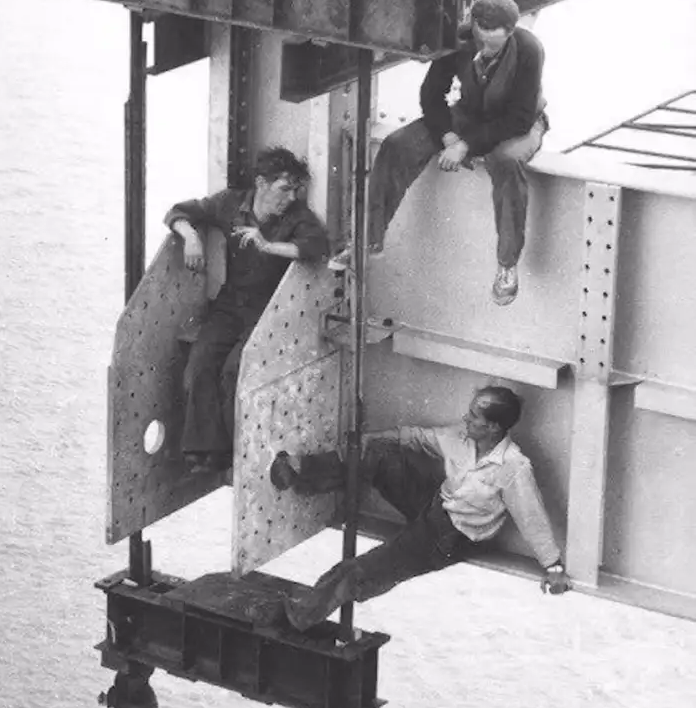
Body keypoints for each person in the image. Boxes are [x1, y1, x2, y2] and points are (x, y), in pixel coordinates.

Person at [270, 386, 571, 630]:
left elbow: (532, 518)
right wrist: (365, 442)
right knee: (379, 454)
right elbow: (414, 437)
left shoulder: (513, 467)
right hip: (435, 504)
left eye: (473, 416)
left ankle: (303, 614)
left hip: (449, 538)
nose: (465, 419)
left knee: (366, 568)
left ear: (493, 427)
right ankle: (302, 473)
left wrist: (554, 567)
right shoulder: (461, 438)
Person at [333, 0, 547, 307]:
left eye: (497, 46)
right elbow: (431, 94)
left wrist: (467, 145)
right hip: (470, 116)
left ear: (511, 32)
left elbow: (519, 118)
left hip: (518, 124)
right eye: (484, 42)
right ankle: (368, 238)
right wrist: (447, 136)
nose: (489, 51)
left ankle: (507, 264)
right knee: (397, 145)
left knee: (505, 162)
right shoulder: (458, 41)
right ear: (474, 27)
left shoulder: (529, 50)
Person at [166, 147, 329, 473]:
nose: (290, 197)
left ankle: (230, 454)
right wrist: (190, 238)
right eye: (284, 188)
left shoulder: (295, 217)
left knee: (234, 371)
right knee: (200, 364)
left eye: (295, 190)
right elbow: (180, 211)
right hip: (230, 305)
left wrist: (268, 246)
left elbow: (317, 247)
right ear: (262, 184)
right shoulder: (230, 203)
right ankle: (202, 451)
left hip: (266, 311)